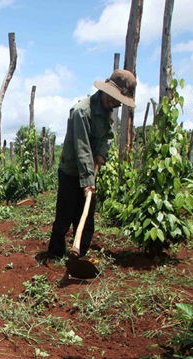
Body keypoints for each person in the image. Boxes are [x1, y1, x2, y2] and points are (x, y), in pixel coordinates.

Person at [43, 69, 136, 263]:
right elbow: (82, 148)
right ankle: (55, 252)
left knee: (87, 213)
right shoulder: (81, 112)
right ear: (105, 90)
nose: (115, 103)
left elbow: (108, 137)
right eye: (114, 98)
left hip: (91, 169)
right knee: (65, 213)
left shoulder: (108, 111)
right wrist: (88, 181)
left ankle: (81, 253)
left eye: (119, 101)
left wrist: (101, 155)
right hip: (71, 170)